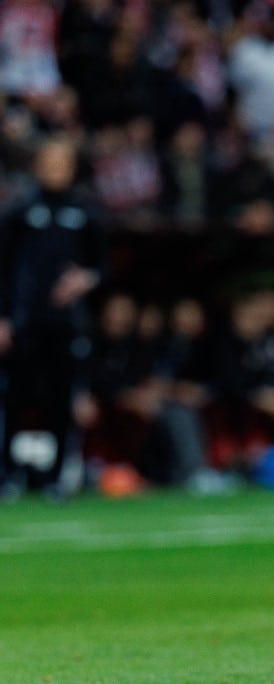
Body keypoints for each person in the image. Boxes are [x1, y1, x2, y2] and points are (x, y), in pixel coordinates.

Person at [0, 135, 105, 500]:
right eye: (48, 162)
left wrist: (85, 280)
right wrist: (3, 317)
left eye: (61, 163)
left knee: (61, 401)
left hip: (66, 325)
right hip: (25, 323)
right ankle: (8, 474)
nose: (54, 169)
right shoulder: (21, 210)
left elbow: (101, 266)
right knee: (15, 398)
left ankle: (58, 476)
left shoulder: (84, 212)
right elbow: (4, 267)